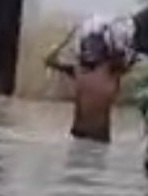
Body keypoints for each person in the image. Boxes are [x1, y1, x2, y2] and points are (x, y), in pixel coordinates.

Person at [45, 15, 137, 143]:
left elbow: (131, 58)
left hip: (97, 138)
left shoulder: (107, 72)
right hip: (83, 136)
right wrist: (68, 39)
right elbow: (50, 61)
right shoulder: (83, 71)